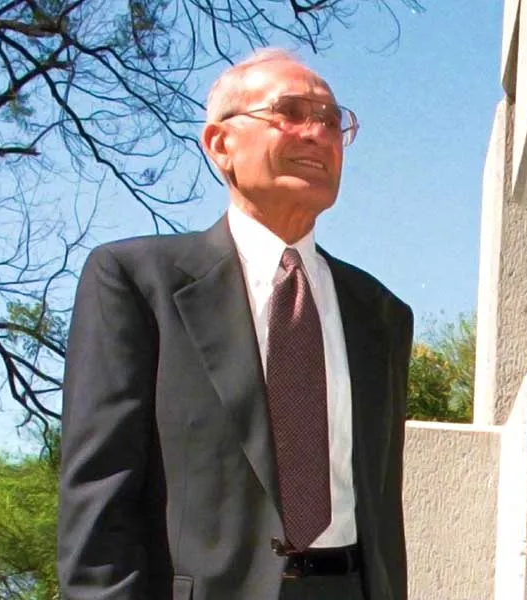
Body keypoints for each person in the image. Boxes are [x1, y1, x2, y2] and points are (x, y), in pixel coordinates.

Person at [57, 48, 413, 600]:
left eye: (332, 120)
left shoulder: (381, 314)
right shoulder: (137, 283)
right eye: (290, 112)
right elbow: (99, 496)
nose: (317, 132)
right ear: (221, 144)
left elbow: (383, 509)